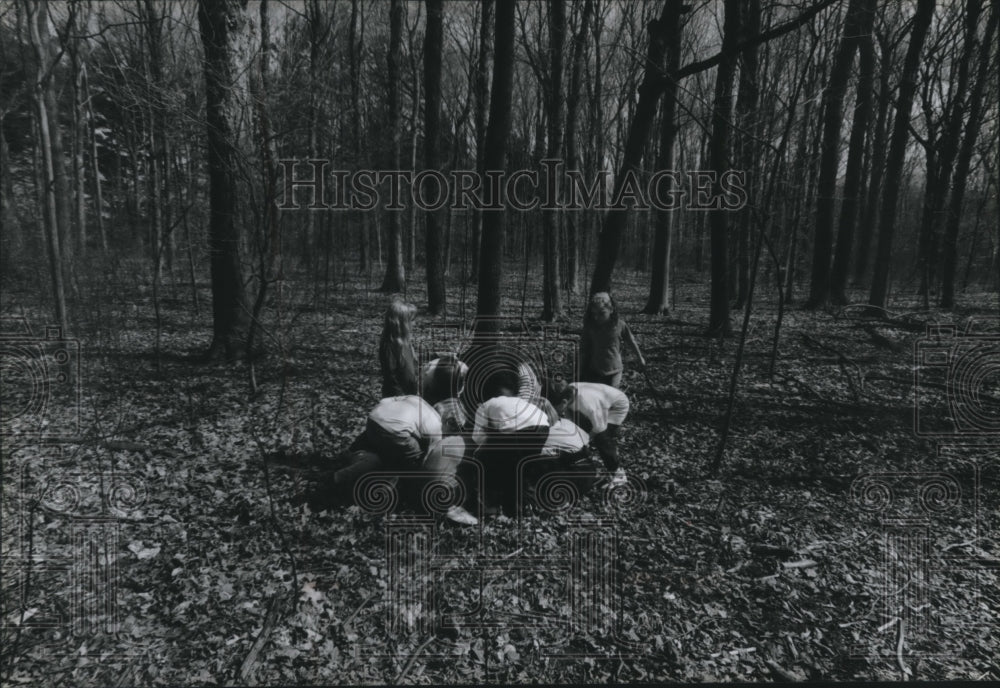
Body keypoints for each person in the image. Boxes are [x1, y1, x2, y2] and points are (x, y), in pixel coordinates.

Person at [471, 370, 551, 514]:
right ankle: (528, 506)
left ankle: (490, 503)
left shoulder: (486, 405)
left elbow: (478, 438)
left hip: (517, 433)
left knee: (486, 459)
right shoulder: (520, 401)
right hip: (542, 427)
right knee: (522, 470)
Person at [548, 378, 630, 486]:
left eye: (555, 408)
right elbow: (569, 416)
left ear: (564, 402)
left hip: (617, 406)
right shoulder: (568, 392)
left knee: (602, 439)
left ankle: (617, 473)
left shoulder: (587, 405)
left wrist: (585, 440)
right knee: (579, 428)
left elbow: (599, 428)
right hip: (599, 401)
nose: (554, 411)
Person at [580, 292, 645, 388]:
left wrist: (640, 358)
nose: (597, 317)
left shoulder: (620, 325)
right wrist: (579, 370)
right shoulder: (590, 327)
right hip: (595, 370)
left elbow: (631, 341)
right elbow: (583, 349)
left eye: (602, 313)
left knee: (611, 395)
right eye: (594, 314)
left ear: (611, 310)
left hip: (615, 370)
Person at [379, 298, 419, 397]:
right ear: (401, 323)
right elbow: (391, 376)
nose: (415, 323)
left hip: (410, 394)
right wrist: (401, 398)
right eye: (412, 320)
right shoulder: (390, 345)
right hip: (397, 399)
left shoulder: (405, 343)